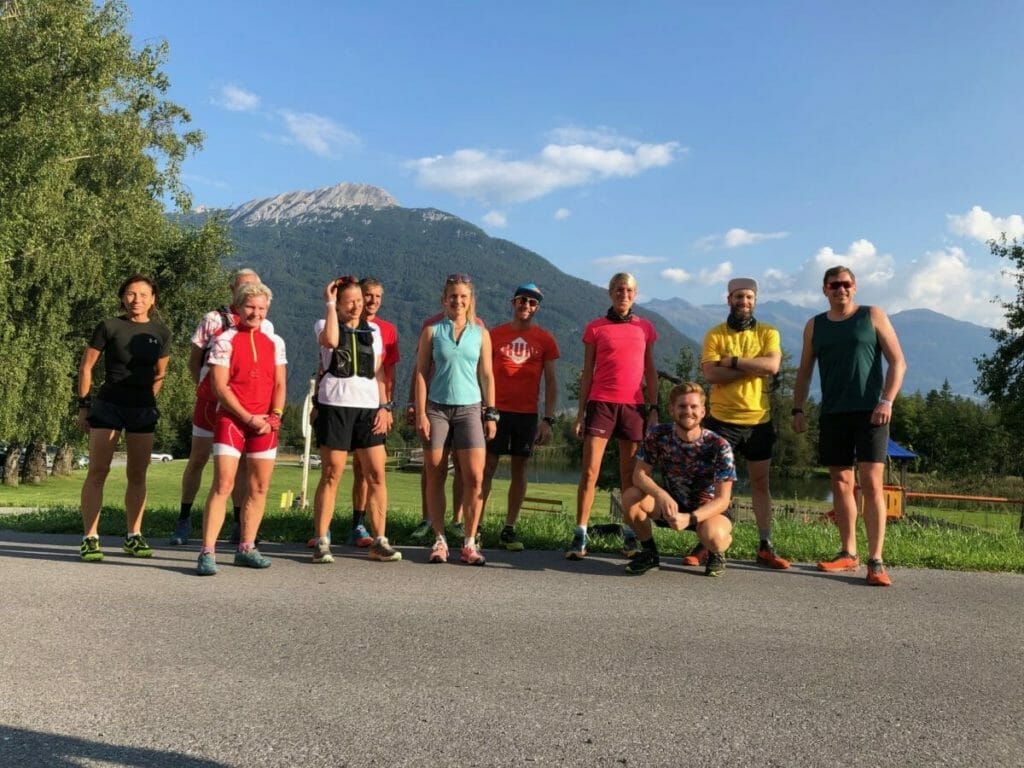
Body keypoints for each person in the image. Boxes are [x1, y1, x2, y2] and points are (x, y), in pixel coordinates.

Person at [792, 265, 906, 587]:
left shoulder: (872, 315)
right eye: (834, 285)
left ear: (854, 287)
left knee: (871, 483)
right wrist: (797, 408)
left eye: (846, 284)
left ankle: (876, 560)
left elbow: (898, 362)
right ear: (824, 289)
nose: (840, 289)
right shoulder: (814, 325)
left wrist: (887, 401)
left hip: (871, 412)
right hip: (833, 412)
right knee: (841, 482)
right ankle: (848, 552)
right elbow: (803, 371)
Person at [171, 268, 272, 546]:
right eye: (243, 290)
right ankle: (184, 518)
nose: (249, 294)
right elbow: (194, 358)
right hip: (210, 403)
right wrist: (204, 387)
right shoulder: (213, 319)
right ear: (233, 292)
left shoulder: (264, 324)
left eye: (255, 288)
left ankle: (239, 524)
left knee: (239, 467)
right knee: (198, 459)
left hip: (244, 405)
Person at [76, 275, 171, 562]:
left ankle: (134, 536)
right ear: (122, 297)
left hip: (141, 408)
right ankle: (90, 538)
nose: (137, 300)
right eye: (131, 294)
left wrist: (149, 401)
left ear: (153, 299)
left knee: (138, 474)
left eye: (143, 294)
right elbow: (86, 367)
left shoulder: (161, 332)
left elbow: (160, 373)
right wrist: (84, 406)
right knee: (98, 471)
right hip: (108, 406)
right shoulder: (109, 326)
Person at [196, 281, 287, 576]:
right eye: (250, 307)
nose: (256, 313)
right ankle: (207, 551)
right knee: (224, 484)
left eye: (261, 308)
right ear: (237, 307)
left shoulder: (275, 342)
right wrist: (248, 418)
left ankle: (246, 547)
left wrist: (275, 414)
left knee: (259, 487)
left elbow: (280, 383)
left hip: (265, 423)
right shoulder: (225, 339)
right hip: (233, 420)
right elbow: (220, 387)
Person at [568, 272, 659, 560]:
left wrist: (654, 410)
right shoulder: (596, 328)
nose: (624, 295)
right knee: (590, 472)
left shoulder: (645, 328)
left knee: (630, 476)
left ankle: (631, 535)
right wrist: (580, 413)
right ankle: (580, 534)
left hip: (633, 407)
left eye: (629, 290)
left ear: (636, 294)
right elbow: (587, 374)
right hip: (601, 403)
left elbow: (651, 372)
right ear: (610, 293)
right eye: (619, 290)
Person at [700, 277, 789, 569]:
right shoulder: (715, 334)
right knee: (716, 486)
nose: (744, 302)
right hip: (721, 421)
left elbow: (772, 366)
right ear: (729, 299)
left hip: (758, 421)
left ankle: (765, 544)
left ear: (755, 301)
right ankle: (706, 544)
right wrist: (753, 368)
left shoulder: (768, 332)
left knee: (761, 484)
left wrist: (733, 362)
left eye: (749, 297)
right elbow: (712, 376)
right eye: (739, 297)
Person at [309, 276, 399, 564]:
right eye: (350, 302)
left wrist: (384, 407)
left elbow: (379, 372)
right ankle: (322, 539)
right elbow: (332, 342)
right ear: (338, 303)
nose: (356, 306)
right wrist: (330, 303)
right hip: (335, 405)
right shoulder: (325, 323)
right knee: (332, 473)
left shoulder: (373, 330)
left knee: (377, 474)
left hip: (367, 408)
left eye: (359, 301)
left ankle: (380, 539)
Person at [414, 273, 496, 565]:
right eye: (453, 296)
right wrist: (421, 412)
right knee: (435, 474)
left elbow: (486, 375)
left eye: (463, 296)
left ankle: (470, 542)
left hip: (471, 410)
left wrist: (491, 412)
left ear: (470, 300)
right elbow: (422, 373)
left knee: (475, 478)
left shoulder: (481, 334)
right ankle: (439, 540)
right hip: (437, 409)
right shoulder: (432, 332)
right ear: (444, 299)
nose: (458, 301)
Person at [621, 383, 736, 577]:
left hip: (707, 510)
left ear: (703, 411)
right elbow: (638, 475)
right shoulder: (658, 435)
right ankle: (649, 553)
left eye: (693, 407)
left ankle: (716, 552)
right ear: (671, 410)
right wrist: (661, 494)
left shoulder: (719, 445)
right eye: (682, 406)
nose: (688, 412)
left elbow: (723, 499)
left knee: (714, 537)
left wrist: (690, 518)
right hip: (670, 506)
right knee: (631, 497)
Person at [480, 282, 560, 551]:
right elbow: (482, 374)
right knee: (487, 468)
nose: (526, 306)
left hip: (527, 414)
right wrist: (484, 409)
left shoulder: (545, 339)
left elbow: (550, 382)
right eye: (522, 300)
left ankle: (509, 529)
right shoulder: (495, 334)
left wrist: (548, 420)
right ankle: (475, 527)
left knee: (519, 469)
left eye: (532, 303)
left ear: (537, 308)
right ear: (513, 302)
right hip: (496, 411)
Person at [347, 276, 399, 548]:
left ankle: (371, 526)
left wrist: (387, 406)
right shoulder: (344, 322)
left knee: (373, 469)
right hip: (348, 404)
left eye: (378, 296)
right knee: (356, 468)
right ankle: (356, 522)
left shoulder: (388, 330)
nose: (373, 301)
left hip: (376, 406)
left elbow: (388, 371)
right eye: (369, 295)